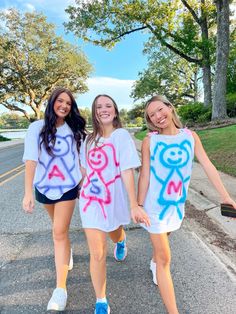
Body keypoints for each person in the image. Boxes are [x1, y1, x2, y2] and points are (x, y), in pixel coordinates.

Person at [137, 95, 236, 314]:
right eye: (152, 115)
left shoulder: (190, 137)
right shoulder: (150, 141)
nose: (158, 116)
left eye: (160, 110)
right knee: (165, 259)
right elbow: (144, 175)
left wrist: (225, 196)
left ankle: (154, 260)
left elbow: (208, 165)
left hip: (175, 206)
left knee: (167, 236)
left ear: (170, 108)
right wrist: (139, 205)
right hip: (154, 206)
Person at [79, 94, 150, 314]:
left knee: (114, 232)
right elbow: (84, 170)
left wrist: (134, 204)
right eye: (99, 106)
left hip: (114, 199)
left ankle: (121, 240)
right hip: (91, 201)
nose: (103, 109)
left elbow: (127, 170)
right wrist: (82, 190)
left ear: (115, 111)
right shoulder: (87, 140)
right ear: (94, 112)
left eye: (108, 105)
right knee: (97, 253)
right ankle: (101, 300)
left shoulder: (121, 136)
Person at [22, 87, 86, 312]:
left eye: (68, 103)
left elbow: (80, 158)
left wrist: (83, 182)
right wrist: (28, 192)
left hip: (68, 187)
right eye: (60, 101)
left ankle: (60, 289)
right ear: (52, 102)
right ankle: (66, 252)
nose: (64, 106)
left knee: (58, 232)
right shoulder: (36, 128)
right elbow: (30, 160)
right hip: (43, 188)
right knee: (58, 229)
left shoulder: (74, 129)